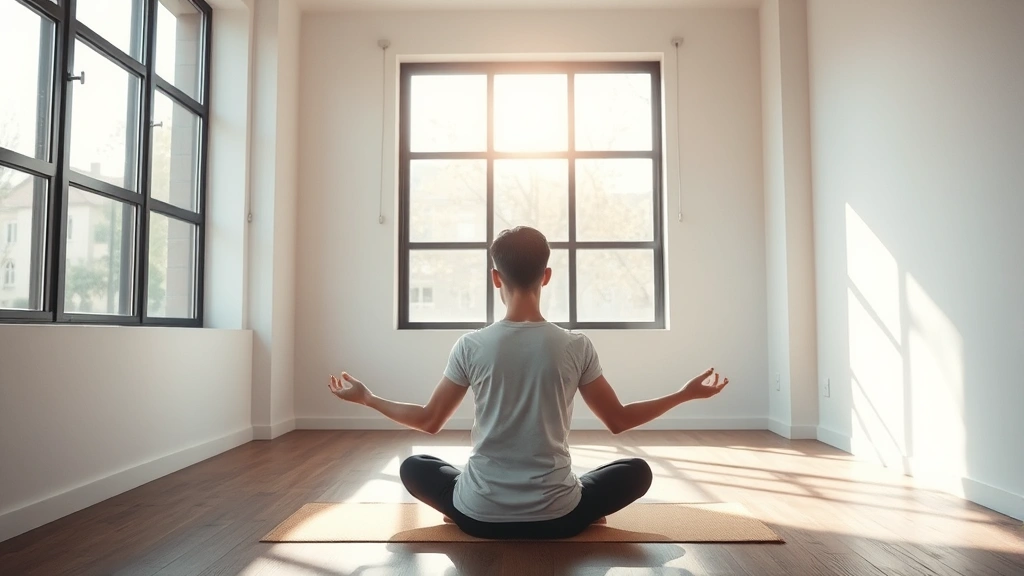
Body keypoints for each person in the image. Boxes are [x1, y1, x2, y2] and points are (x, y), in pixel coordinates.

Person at [328, 226, 729, 540]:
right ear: (547, 275)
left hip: (478, 517)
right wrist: (685, 393)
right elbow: (619, 420)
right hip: (560, 519)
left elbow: (429, 421)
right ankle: (570, 506)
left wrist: (367, 398)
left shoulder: (471, 345)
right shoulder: (575, 345)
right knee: (636, 470)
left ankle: (470, 505)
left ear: (495, 278)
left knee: (416, 466)